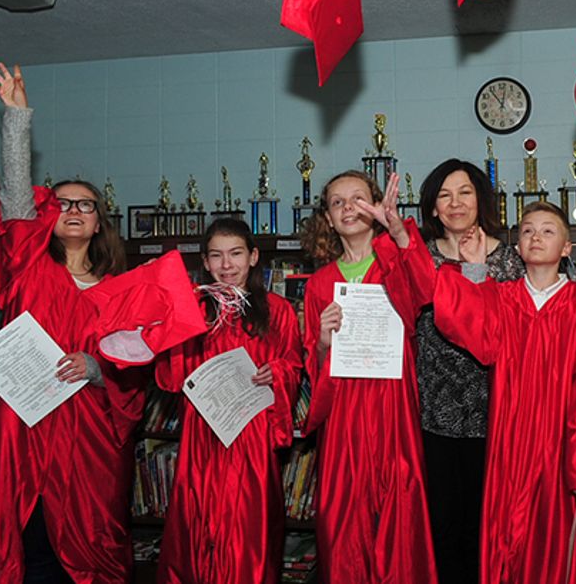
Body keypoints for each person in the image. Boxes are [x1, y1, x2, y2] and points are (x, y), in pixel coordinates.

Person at [0, 62, 143, 584]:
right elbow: (15, 204)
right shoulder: (26, 269)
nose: (73, 209)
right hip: (25, 427)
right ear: (49, 215)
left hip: (88, 437)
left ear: (100, 220)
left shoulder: (122, 292)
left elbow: (134, 375)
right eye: (64, 202)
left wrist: (96, 368)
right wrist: (17, 119)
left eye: (86, 204)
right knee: (31, 549)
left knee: (90, 549)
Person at [431, 201, 576, 584]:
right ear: (517, 246)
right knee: (503, 544)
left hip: (558, 449)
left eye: (547, 230)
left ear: (566, 248)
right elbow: (470, 329)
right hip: (507, 447)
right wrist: (475, 269)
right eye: (527, 230)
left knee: (554, 549)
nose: (536, 237)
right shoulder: (503, 299)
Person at [300, 170, 438, 583]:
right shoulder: (320, 284)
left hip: (393, 405)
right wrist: (323, 342)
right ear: (326, 217)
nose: (348, 208)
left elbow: (428, 290)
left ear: (375, 206)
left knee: (400, 514)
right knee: (344, 521)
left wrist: (397, 230)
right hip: (345, 413)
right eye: (337, 202)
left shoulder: (395, 259)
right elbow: (312, 361)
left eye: (358, 199)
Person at [155, 218, 302, 584]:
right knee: (196, 529)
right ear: (204, 262)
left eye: (235, 254)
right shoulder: (194, 309)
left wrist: (277, 372)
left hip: (252, 438)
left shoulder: (277, 310)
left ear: (253, 257)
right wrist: (172, 319)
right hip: (202, 437)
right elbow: (171, 379)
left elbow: (293, 364)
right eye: (216, 256)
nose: (226, 265)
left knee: (248, 533)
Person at [414, 159, 524, 584]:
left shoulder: (509, 261)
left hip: (492, 416)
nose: (455, 202)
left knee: (487, 527)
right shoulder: (421, 260)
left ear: (480, 199)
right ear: (433, 208)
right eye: (444, 195)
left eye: (464, 192)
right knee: (442, 527)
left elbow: (511, 334)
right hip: (433, 415)